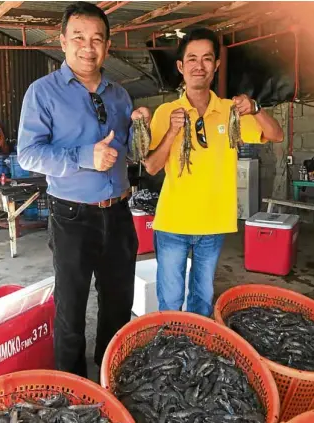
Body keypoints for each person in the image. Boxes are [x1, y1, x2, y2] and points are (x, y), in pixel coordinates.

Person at [17, 1, 148, 378]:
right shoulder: (42, 93)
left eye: (96, 39)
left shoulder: (120, 95)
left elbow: (129, 150)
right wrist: (84, 156)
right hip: (72, 215)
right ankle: (74, 388)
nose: (87, 47)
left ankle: (110, 376)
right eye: (78, 37)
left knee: (118, 304)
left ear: (107, 46)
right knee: (71, 309)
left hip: (120, 211)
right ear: (62, 42)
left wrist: (141, 126)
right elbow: (28, 154)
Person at [143, 28, 283, 317]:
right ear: (181, 66)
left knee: (203, 298)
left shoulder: (231, 111)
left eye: (207, 59)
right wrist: (171, 131)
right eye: (192, 58)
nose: (199, 65)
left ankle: (197, 350)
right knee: (169, 299)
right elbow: (152, 166)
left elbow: (276, 135)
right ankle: (170, 347)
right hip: (173, 223)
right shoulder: (165, 112)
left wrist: (256, 108)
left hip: (213, 224)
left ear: (216, 65)